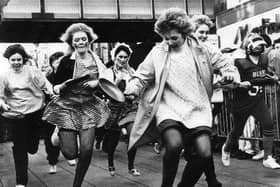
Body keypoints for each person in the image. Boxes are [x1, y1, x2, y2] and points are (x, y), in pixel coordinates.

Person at [124, 8, 240, 187]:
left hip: (198, 107)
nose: (169, 42)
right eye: (165, 38)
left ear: (184, 33)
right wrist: (132, 87)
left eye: (174, 38)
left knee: (204, 154)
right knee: (174, 144)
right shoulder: (158, 52)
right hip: (168, 106)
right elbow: (141, 76)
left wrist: (229, 74)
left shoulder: (203, 49)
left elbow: (225, 63)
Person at [42, 23, 110, 187]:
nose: (81, 42)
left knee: (87, 150)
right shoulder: (66, 62)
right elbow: (55, 88)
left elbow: (108, 80)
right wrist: (63, 85)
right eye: (77, 40)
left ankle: (77, 184)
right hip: (68, 107)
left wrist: (97, 83)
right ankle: (59, 131)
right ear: (73, 43)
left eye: (84, 39)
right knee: (70, 153)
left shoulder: (97, 60)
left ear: (89, 41)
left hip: (88, 107)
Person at [221, 33, 280, 169]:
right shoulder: (238, 61)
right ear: (248, 47)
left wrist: (273, 78)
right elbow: (231, 82)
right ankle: (227, 148)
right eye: (257, 46)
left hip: (257, 100)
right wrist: (240, 83)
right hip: (242, 101)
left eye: (262, 46)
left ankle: (268, 157)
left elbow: (267, 74)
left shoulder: (264, 59)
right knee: (237, 130)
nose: (260, 49)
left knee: (268, 124)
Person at [0, 44, 53, 187]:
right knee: (19, 147)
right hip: (17, 114)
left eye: (19, 59)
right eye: (13, 60)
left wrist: (53, 93)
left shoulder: (32, 71)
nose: (16, 62)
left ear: (23, 59)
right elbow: (0, 95)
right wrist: (3, 104)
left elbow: (45, 84)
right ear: (9, 60)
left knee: (32, 147)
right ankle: (21, 182)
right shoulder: (4, 75)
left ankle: (32, 145)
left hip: (34, 112)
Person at [191, 14, 222, 186]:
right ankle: (211, 179)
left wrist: (227, 76)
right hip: (184, 107)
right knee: (198, 150)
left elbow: (223, 63)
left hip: (203, 105)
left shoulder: (209, 50)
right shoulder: (183, 50)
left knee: (203, 147)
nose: (204, 35)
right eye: (201, 32)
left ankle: (212, 179)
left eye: (206, 32)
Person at [102, 43, 140, 176]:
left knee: (133, 136)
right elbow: (105, 92)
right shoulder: (108, 72)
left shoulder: (132, 72)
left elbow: (138, 89)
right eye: (120, 57)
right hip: (114, 108)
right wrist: (117, 81)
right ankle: (111, 163)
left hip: (129, 108)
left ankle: (131, 166)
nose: (123, 60)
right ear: (115, 57)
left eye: (125, 57)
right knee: (113, 140)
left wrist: (134, 94)